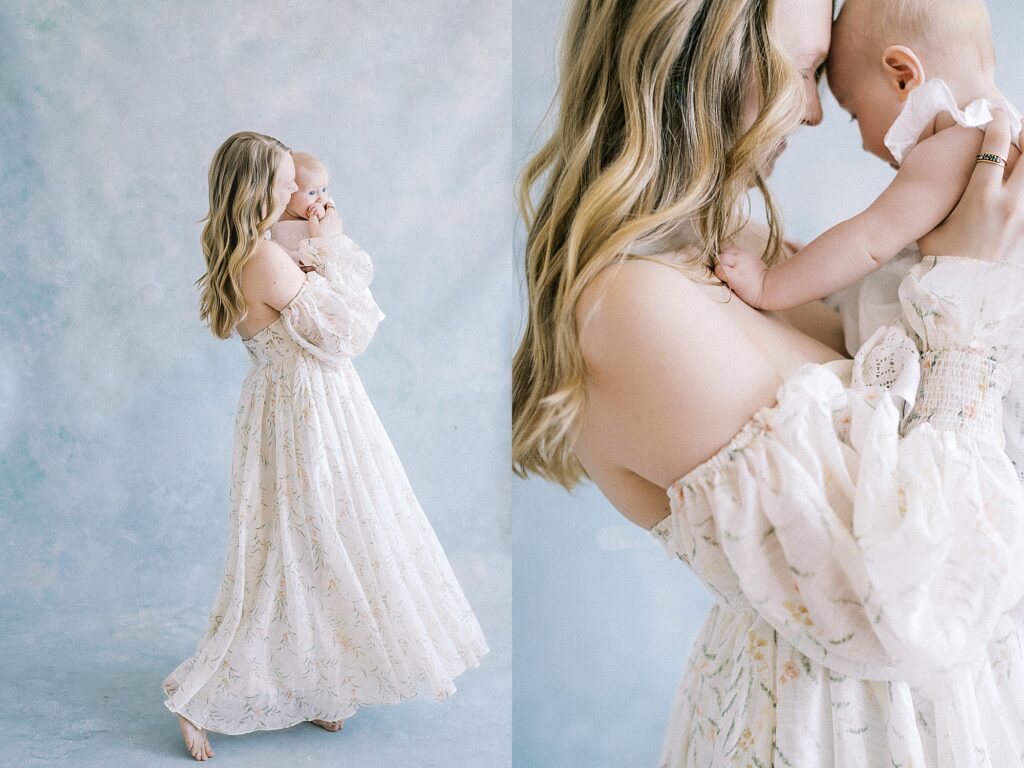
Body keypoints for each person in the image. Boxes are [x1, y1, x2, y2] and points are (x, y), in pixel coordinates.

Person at [512, 0, 1024, 763]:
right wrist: (966, 290)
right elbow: (906, 620)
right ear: (704, 54)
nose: (815, 113)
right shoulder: (631, 309)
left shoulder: (741, 246)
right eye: (804, 70)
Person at [164, 131, 489, 761]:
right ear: (261, 187)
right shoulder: (264, 257)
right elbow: (346, 334)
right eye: (287, 181)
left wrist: (314, 251)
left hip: (299, 404)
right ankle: (197, 698)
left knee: (314, 545)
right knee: (301, 545)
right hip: (305, 411)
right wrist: (331, 246)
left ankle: (317, 685)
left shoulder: (258, 250)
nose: (299, 191)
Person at [715, 0, 1023, 312]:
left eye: (854, 114)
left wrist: (770, 284)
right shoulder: (1003, 133)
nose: (863, 144)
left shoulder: (954, 145)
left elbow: (868, 244)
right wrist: (810, 265)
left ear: (902, 77)